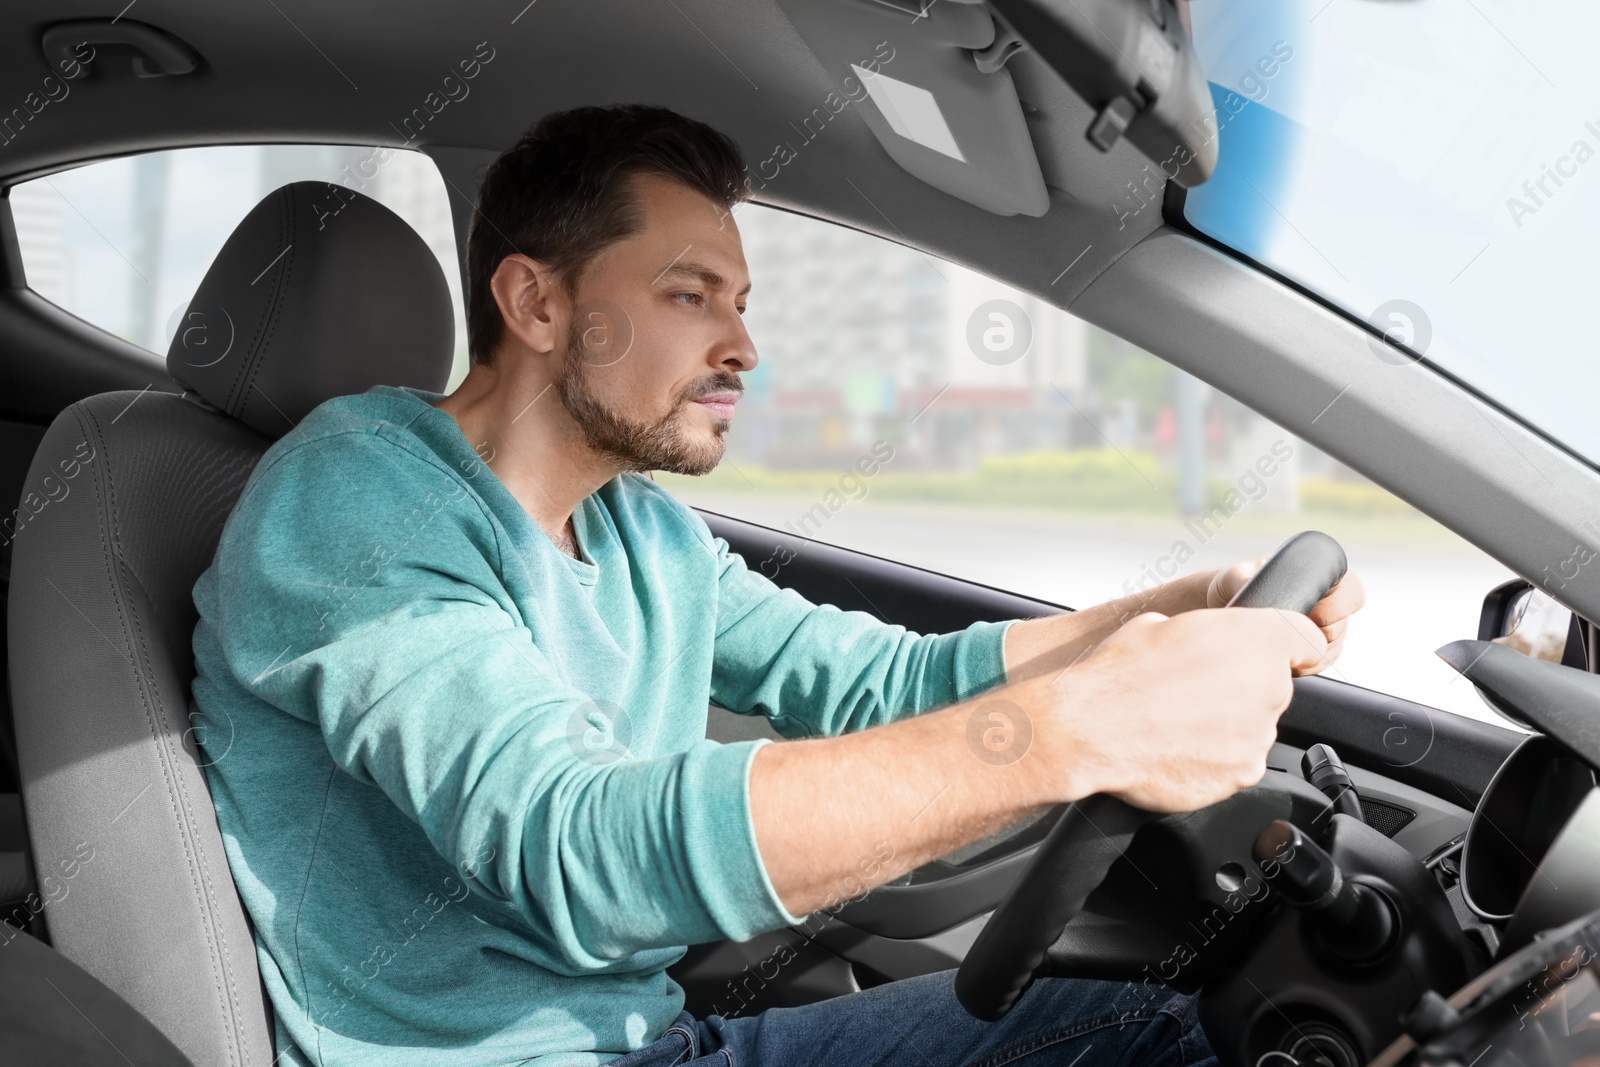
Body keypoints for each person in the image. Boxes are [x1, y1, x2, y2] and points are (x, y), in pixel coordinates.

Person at [190, 104, 1363, 1067]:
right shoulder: (356, 498)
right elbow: (576, 850)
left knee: (1177, 1030)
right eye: (691, 293)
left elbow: (874, 683)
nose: (744, 344)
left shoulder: (642, 529)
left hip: (654, 1039)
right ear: (537, 303)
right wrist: (1078, 732)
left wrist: (1162, 619)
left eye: (740, 303)